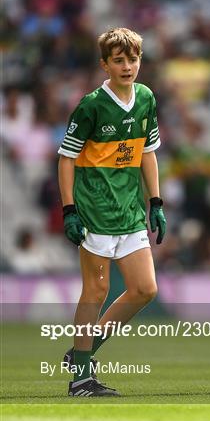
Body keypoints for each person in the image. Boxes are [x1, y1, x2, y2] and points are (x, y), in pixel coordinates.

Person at [58, 27, 166, 397]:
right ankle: (81, 380)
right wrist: (69, 209)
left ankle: (82, 354)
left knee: (144, 288)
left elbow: (147, 151)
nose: (127, 66)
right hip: (95, 210)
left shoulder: (146, 98)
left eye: (132, 59)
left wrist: (156, 201)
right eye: (118, 60)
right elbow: (66, 158)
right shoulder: (91, 106)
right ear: (104, 64)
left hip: (130, 210)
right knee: (97, 288)